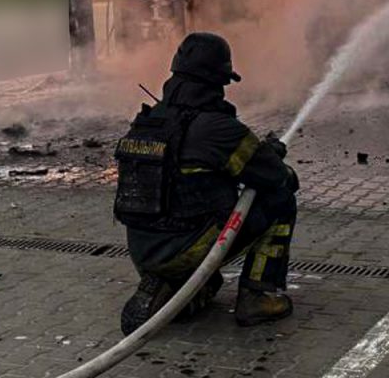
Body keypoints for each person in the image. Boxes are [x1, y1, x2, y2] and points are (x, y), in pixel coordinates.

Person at [115, 32, 299, 335]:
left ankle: (176, 289)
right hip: (187, 247)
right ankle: (258, 297)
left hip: (143, 251)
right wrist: (270, 157)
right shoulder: (217, 128)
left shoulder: (148, 121)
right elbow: (276, 176)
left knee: (207, 283)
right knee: (280, 199)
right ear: (216, 81)